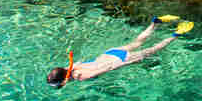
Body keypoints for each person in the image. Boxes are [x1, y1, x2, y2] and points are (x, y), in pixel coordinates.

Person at [47, 15, 193, 88]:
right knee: (137, 41)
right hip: (111, 53)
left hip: (118, 60)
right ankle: (155, 23)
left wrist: (124, 63)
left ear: (64, 80)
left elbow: (105, 68)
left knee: (153, 50)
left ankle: (177, 34)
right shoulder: (72, 66)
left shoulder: (81, 76)